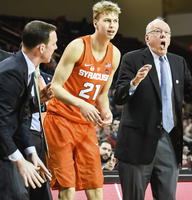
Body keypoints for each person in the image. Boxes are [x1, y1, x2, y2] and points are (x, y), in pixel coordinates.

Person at [113, 17, 192, 200]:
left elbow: (190, 89)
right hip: (137, 142)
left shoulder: (179, 62)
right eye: (158, 31)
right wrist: (135, 82)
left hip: (169, 142)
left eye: (167, 33)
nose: (164, 35)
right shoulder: (132, 59)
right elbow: (119, 97)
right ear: (147, 38)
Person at [43, 1, 121, 199]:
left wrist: (106, 111)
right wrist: (81, 103)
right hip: (60, 120)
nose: (112, 25)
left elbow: (102, 94)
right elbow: (55, 87)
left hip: (85, 125)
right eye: (107, 20)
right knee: (67, 188)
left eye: (115, 21)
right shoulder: (78, 46)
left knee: (95, 187)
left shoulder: (115, 54)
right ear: (96, 23)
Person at [0, 20, 56, 200]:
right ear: (41, 48)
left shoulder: (27, 68)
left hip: (8, 144)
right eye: (53, 44)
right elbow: (1, 123)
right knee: (17, 194)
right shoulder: (12, 71)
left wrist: (31, 154)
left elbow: (22, 116)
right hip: (4, 148)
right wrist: (20, 160)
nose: (55, 48)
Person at [29, 65, 54, 200]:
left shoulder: (49, 78)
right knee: (28, 185)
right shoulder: (21, 75)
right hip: (28, 134)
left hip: (47, 137)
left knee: (43, 187)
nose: (55, 48)